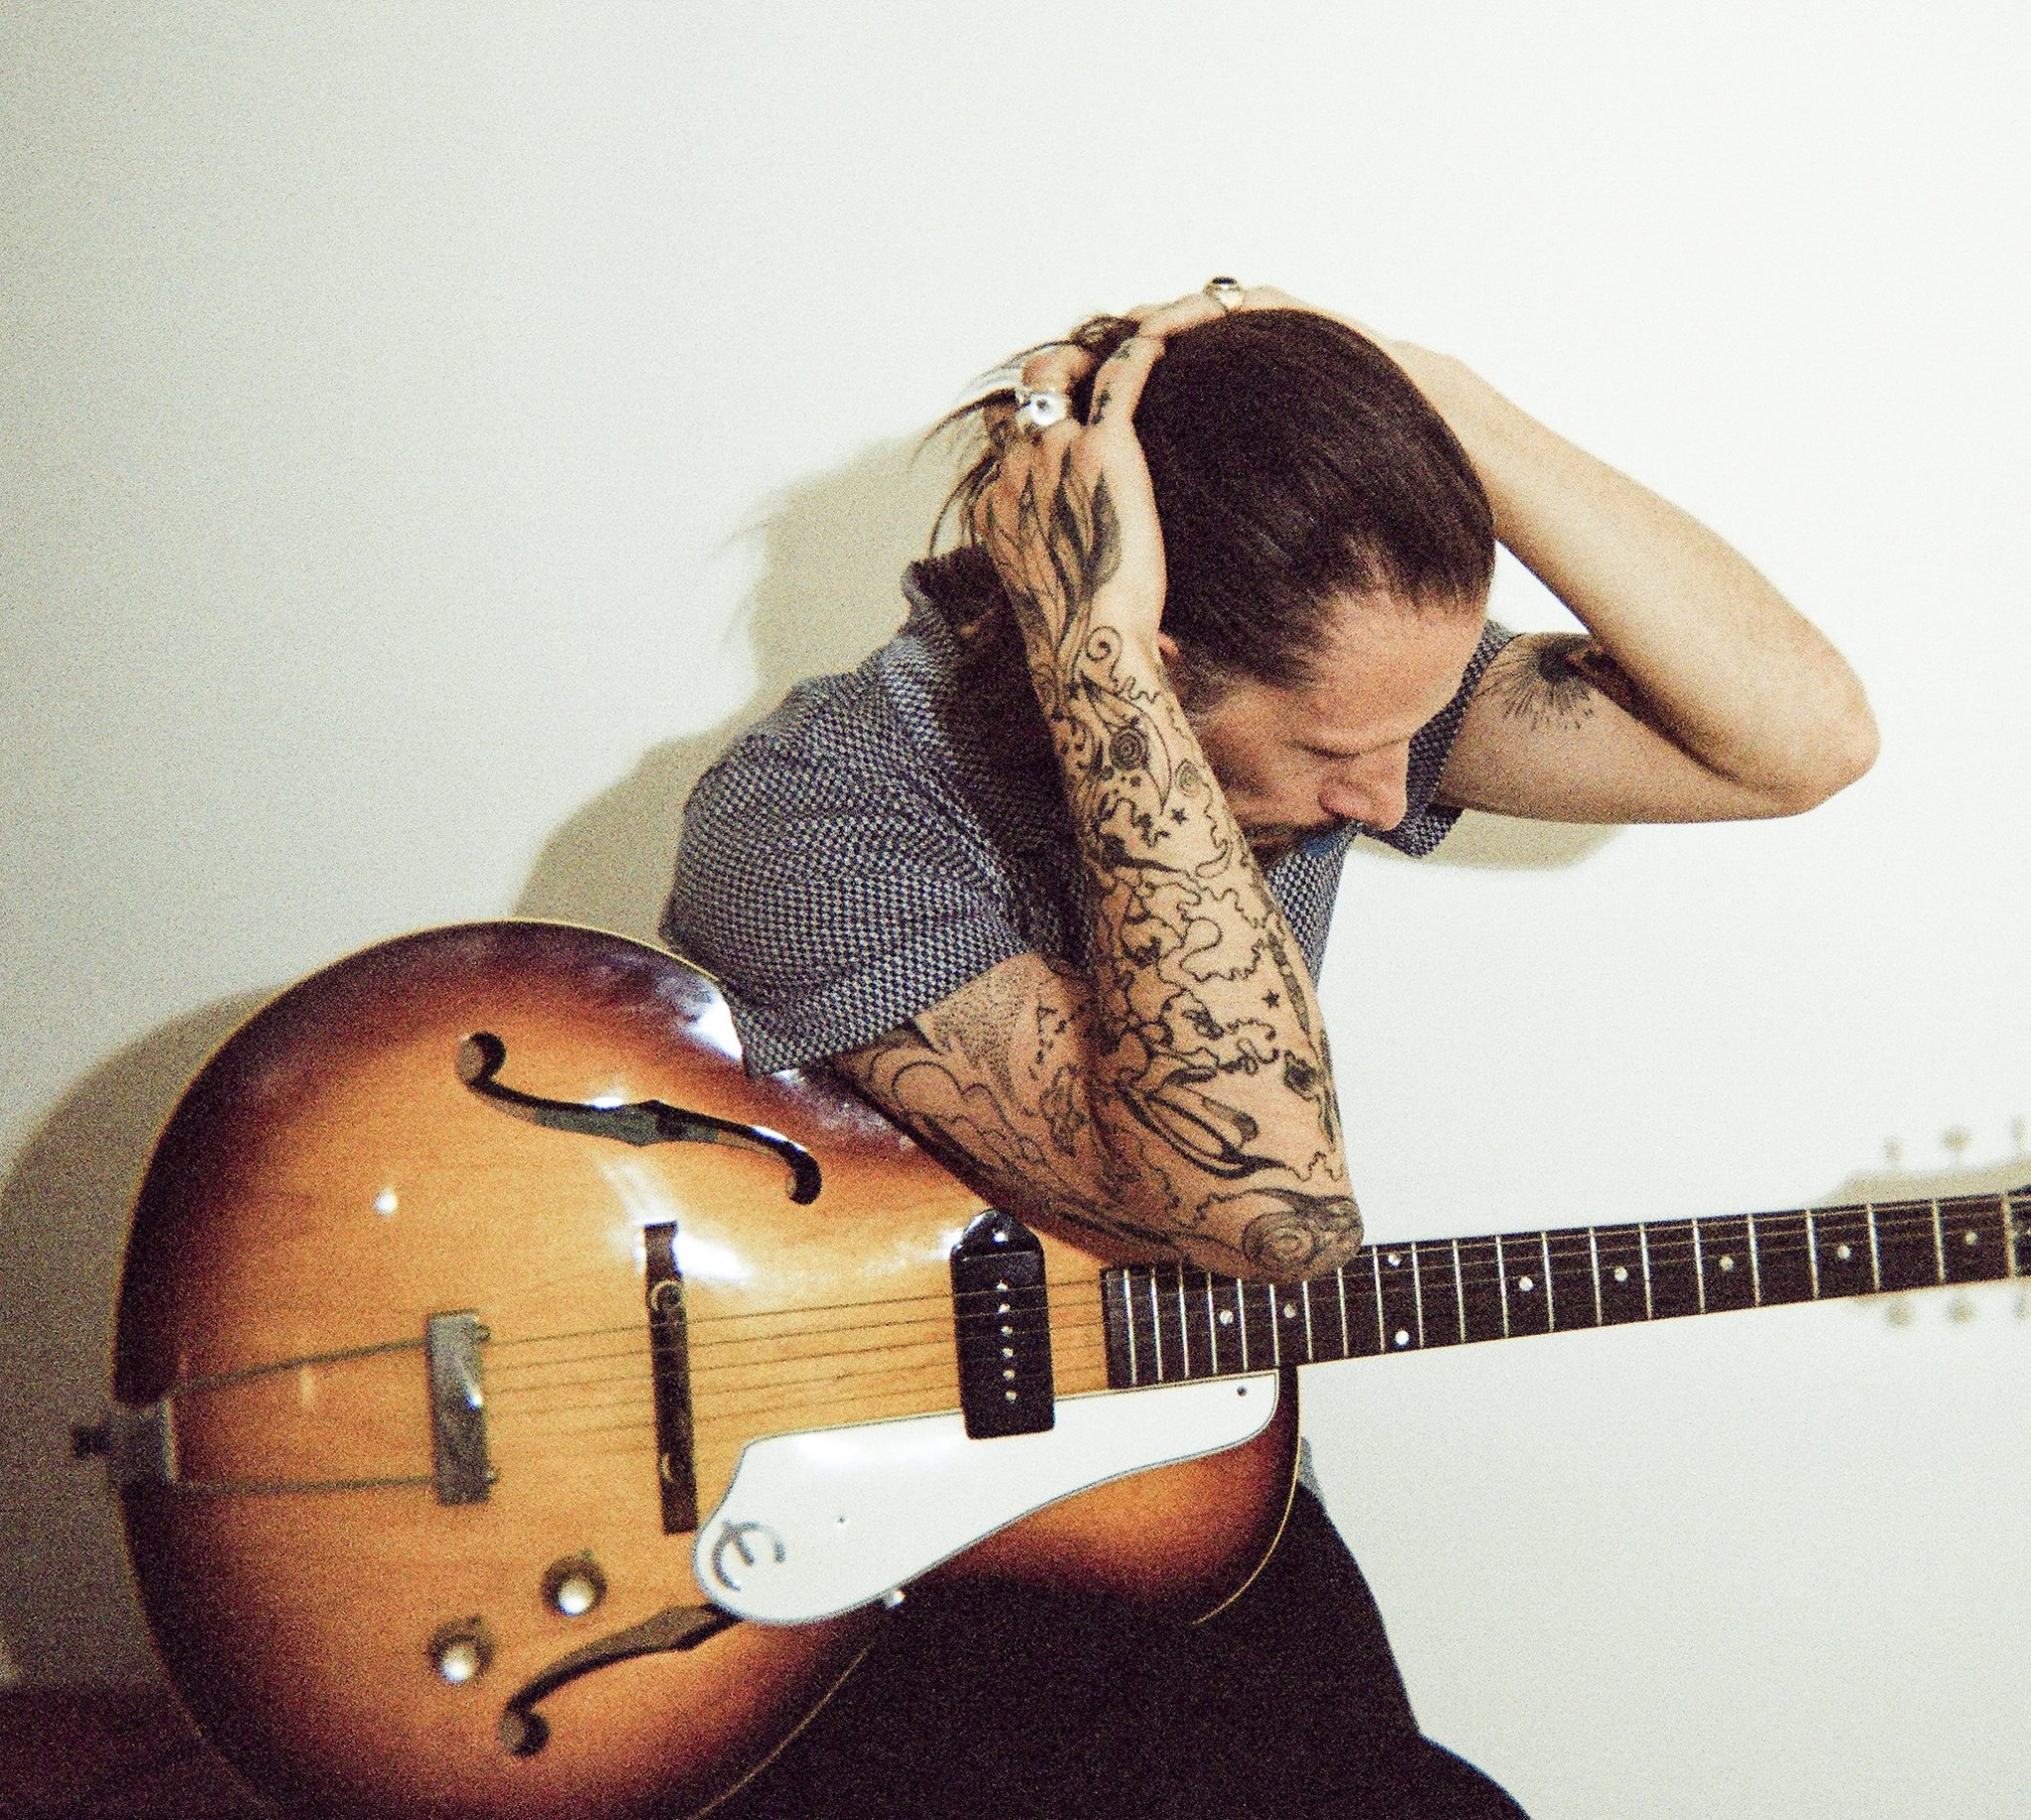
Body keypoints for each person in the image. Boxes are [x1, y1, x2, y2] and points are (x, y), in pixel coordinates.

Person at [663, 281, 1876, 1819]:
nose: (1388, 795)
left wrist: (1434, 397)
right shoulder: (819, 815)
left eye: (1408, 735)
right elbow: (1267, 1216)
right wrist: (1101, 669)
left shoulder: (1350, 704)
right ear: (1154, 664)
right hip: (848, 1562)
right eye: (1334, 752)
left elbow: (1800, 742)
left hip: (1188, 1480)